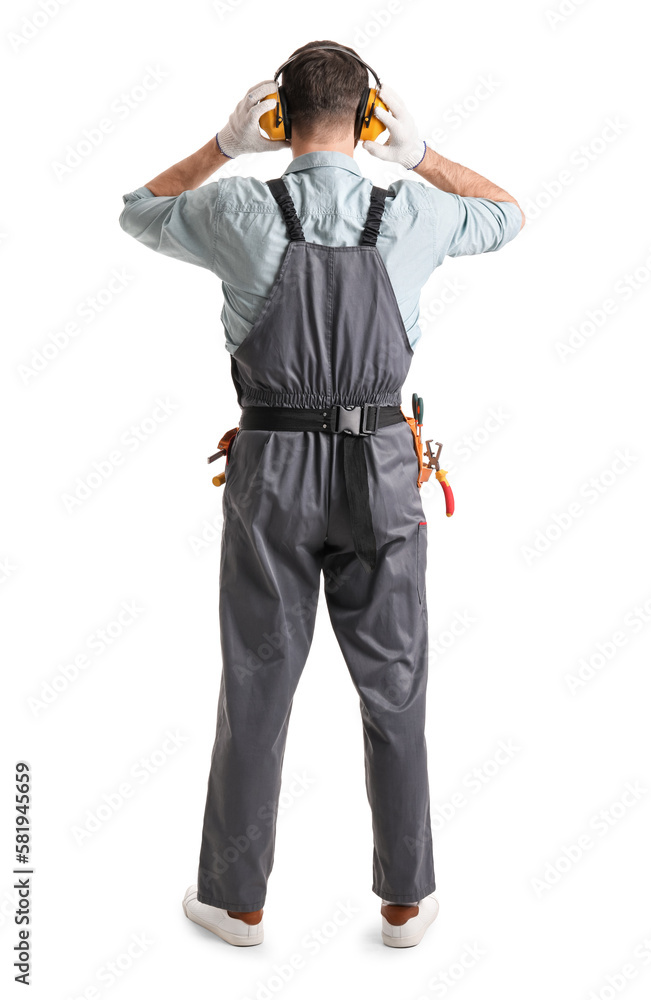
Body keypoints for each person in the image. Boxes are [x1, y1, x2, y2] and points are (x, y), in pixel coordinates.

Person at [119, 39, 524, 950]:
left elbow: (139, 212)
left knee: (258, 680)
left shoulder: (234, 205)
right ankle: (405, 902)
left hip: (272, 467)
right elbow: (507, 214)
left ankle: (236, 903)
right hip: (381, 464)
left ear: (278, 116)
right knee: (396, 681)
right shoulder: (414, 210)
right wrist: (420, 157)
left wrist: (224, 146)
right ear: (368, 116)